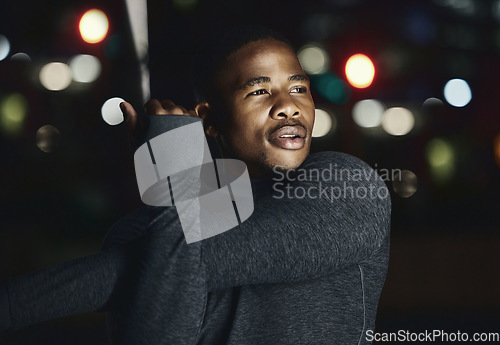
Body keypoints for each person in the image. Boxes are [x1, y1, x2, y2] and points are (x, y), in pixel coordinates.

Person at [0, 26, 391, 344]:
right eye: (258, 91)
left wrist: (171, 168)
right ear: (209, 120)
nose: (287, 104)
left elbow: (195, 258)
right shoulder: (142, 230)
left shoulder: (347, 186)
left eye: (298, 87)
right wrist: (173, 181)